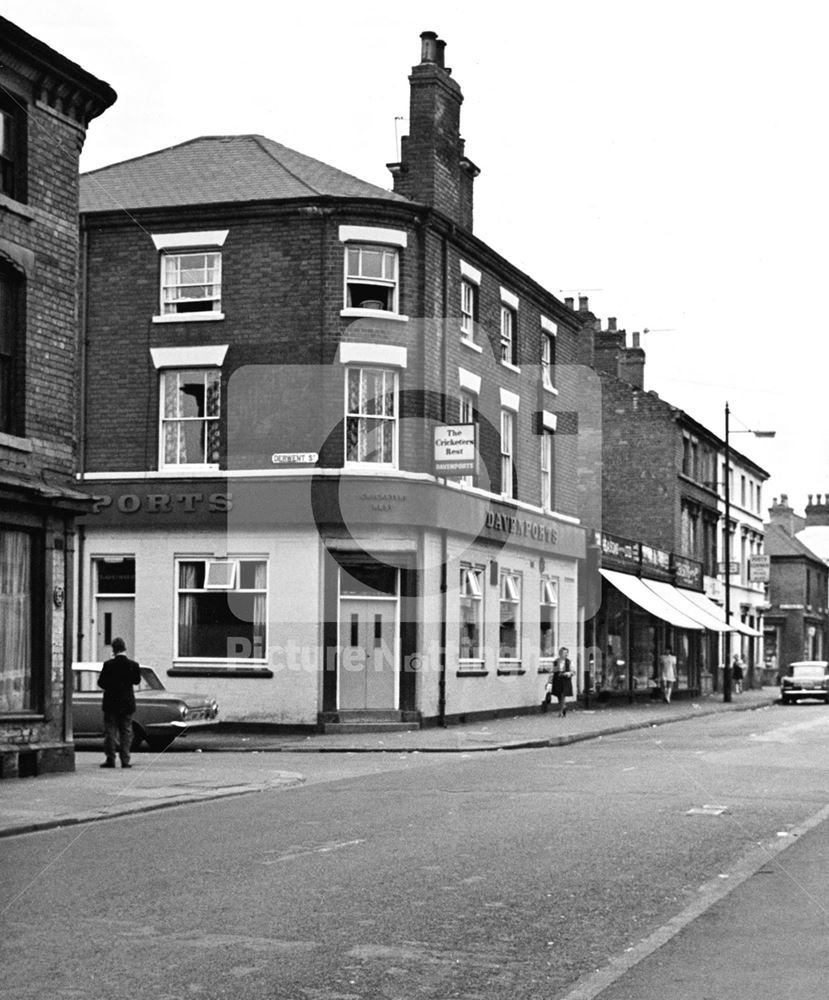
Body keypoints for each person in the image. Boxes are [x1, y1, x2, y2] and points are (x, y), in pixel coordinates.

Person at [98, 637, 141, 768]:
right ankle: (125, 759)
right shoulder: (133, 665)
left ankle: (110, 759)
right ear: (124, 648)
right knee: (126, 731)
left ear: (113, 649)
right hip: (127, 703)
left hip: (111, 703)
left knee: (110, 731)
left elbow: (101, 683)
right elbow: (137, 681)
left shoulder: (108, 665)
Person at [551, 647, 574, 717]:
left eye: (567, 653)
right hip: (557, 679)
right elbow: (553, 671)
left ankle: (561, 711)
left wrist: (567, 674)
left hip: (565, 680)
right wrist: (549, 681)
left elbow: (573, 671)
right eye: (564, 653)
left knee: (563, 695)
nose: (566, 654)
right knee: (558, 694)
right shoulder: (555, 661)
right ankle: (563, 706)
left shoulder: (569, 662)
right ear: (560, 653)